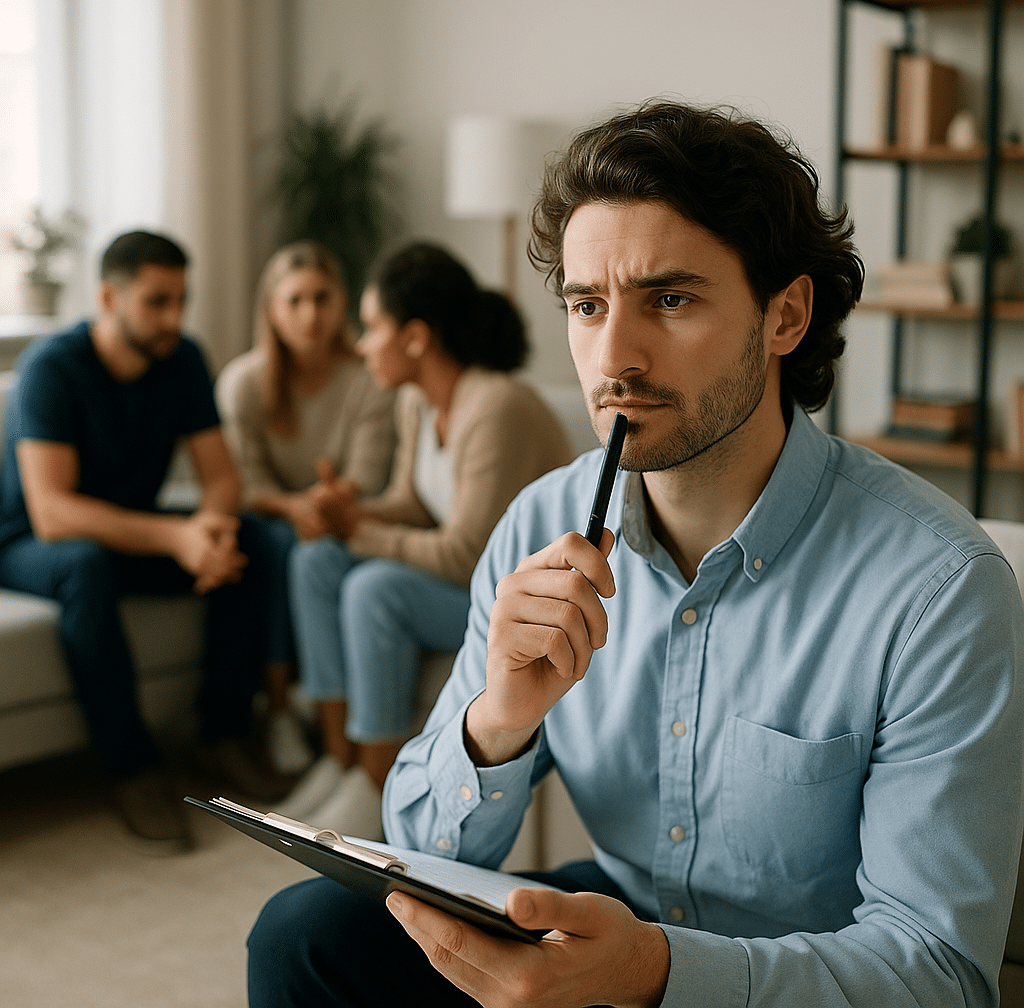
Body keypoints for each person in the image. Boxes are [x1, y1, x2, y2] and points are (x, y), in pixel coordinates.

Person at [246, 102, 1024, 1007]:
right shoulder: (541, 520)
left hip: (798, 977)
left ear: (786, 315)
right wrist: (496, 723)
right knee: (305, 937)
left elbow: (936, 974)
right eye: (587, 305)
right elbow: (421, 855)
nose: (613, 356)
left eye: (672, 298)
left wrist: (655, 973)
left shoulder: (938, 588)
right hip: (617, 914)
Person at [0, 230, 289, 857]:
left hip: (126, 531)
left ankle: (224, 734)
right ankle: (132, 768)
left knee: (255, 542)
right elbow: (52, 513)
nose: (173, 318)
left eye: (180, 300)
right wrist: (177, 536)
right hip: (28, 543)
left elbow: (221, 478)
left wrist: (209, 534)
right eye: (157, 301)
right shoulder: (51, 367)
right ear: (110, 296)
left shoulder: (182, 359)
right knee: (84, 566)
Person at [272, 241, 573, 839]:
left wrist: (362, 531)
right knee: (316, 560)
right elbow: (413, 505)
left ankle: (380, 788)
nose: (361, 344)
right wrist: (349, 515)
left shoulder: (496, 406)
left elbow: (465, 555)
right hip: (462, 578)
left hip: (513, 601)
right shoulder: (416, 400)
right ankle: (340, 761)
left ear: (415, 337)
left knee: (374, 588)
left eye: (372, 326)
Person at [216, 241, 396, 775]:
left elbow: (368, 473)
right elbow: (242, 481)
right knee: (274, 545)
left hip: (340, 516)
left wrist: (328, 501)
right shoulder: (243, 382)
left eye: (322, 298)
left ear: (342, 303)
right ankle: (277, 709)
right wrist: (294, 506)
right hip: (273, 520)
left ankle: (324, 725)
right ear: (271, 309)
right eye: (294, 301)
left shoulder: (368, 375)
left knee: (309, 552)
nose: (310, 315)